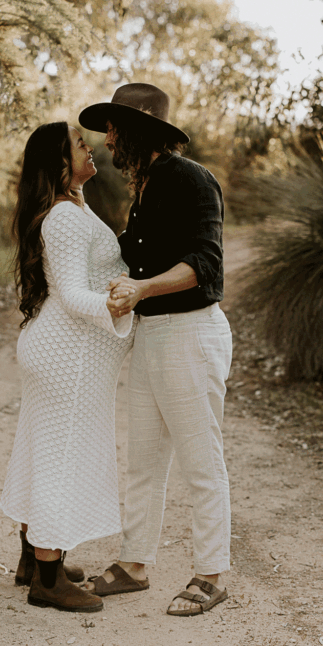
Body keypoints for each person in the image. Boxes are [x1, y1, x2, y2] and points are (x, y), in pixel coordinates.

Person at [79, 83, 232, 616]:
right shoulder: (145, 187)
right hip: (153, 336)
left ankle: (211, 574)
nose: (108, 138)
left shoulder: (191, 179)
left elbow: (205, 264)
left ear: (140, 131)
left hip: (191, 334)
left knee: (200, 460)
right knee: (143, 459)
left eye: (115, 128)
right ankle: (134, 564)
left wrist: (142, 289)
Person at [0, 121, 136, 612]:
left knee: (43, 450)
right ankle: (48, 581)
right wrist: (123, 299)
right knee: (61, 458)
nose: (91, 147)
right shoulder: (65, 217)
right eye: (81, 143)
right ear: (60, 162)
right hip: (67, 357)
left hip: (60, 351)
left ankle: (33, 560)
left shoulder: (71, 208)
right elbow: (74, 295)